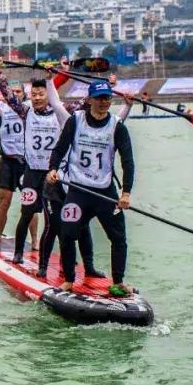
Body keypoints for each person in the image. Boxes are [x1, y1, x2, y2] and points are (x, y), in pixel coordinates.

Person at [0, 68, 70, 251]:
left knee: (32, 205)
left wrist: (63, 73)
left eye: (18, 93)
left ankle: (35, 240)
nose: (15, 95)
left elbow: (51, 87)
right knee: (4, 201)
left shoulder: (31, 108)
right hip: (8, 161)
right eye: (12, 92)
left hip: (28, 163)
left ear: (23, 96)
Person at [46, 79, 136, 296]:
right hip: (78, 190)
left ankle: (119, 281)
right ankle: (68, 280)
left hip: (105, 192)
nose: (105, 102)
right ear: (90, 100)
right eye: (100, 98)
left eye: (107, 98)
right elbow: (59, 149)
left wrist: (126, 192)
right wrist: (52, 169)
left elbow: (128, 161)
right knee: (67, 234)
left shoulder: (117, 126)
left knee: (119, 238)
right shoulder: (75, 121)